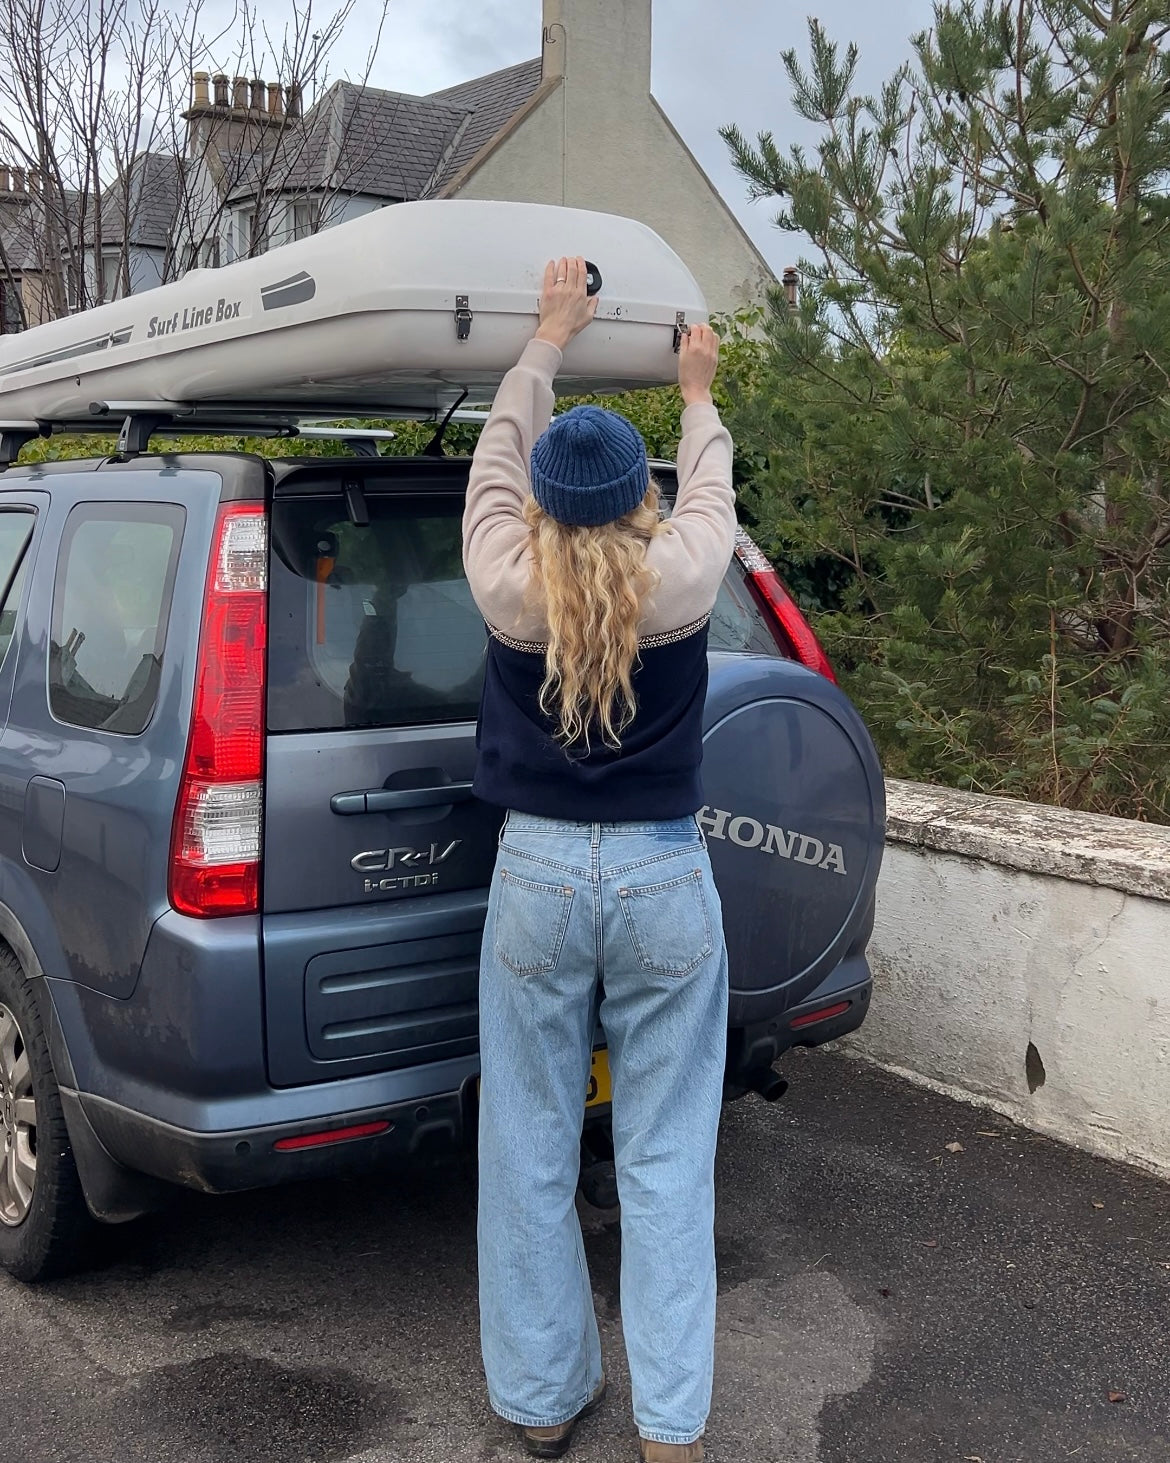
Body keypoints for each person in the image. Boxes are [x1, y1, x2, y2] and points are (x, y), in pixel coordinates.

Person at [464, 256, 736, 1463]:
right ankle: (670, 1429)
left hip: (536, 882)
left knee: (526, 1138)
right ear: (642, 503)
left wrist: (543, 341)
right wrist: (693, 387)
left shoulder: (505, 580)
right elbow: (715, 493)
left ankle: (542, 1398)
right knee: (668, 1151)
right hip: (665, 878)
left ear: (542, 512)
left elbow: (490, 468)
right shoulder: (680, 573)